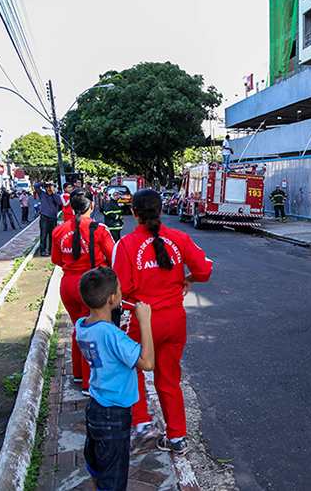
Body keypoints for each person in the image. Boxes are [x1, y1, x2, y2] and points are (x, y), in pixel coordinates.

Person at [112, 189, 213, 455]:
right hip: (175, 320)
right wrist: (189, 278)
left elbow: (122, 288)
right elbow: (204, 269)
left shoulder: (126, 245)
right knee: (169, 378)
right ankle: (177, 437)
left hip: (142, 320)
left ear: (134, 213)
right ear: (161, 210)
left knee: (130, 369)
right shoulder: (179, 237)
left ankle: (142, 424)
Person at [77, 266, 154, 491]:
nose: (122, 292)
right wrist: (145, 321)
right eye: (120, 289)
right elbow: (147, 363)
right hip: (114, 415)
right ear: (112, 298)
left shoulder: (82, 325)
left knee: (95, 464)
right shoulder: (112, 336)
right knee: (113, 480)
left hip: (95, 407)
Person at [52, 188, 116, 394]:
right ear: (92, 205)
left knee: (79, 329)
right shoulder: (99, 229)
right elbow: (114, 257)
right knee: (93, 333)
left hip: (68, 285)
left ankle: (78, 374)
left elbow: (56, 260)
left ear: (71, 206)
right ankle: (90, 383)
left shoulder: (59, 230)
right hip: (91, 285)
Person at [34, 181, 62, 257]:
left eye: (52, 187)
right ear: (46, 188)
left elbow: (59, 202)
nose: (51, 188)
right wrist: (44, 182)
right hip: (45, 217)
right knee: (43, 235)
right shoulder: (42, 194)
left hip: (53, 218)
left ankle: (51, 250)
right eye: (49, 187)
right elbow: (36, 186)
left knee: (52, 235)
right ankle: (42, 250)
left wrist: (54, 193)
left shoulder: (55, 196)